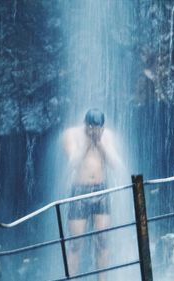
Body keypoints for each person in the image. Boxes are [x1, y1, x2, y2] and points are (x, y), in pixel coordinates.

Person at [62, 108, 125, 280]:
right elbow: (72, 163)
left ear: (103, 127)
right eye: (91, 127)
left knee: (103, 240)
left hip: (101, 191)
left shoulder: (108, 136)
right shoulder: (71, 134)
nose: (95, 130)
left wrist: (100, 142)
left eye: (99, 127)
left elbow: (116, 165)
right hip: (79, 192)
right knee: (75, 243)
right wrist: (88, 142)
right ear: (85, 125)